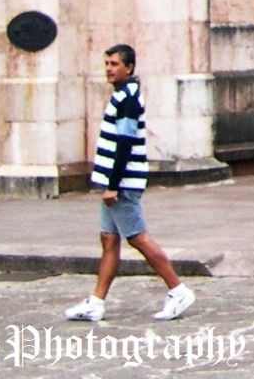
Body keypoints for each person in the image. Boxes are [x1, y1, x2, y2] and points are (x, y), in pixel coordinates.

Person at [64, 44, 195, 323]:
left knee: (137, 237)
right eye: (107, 63)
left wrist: (112, 185)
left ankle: (178, 290)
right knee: (109, 239)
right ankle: (96, 302)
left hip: (122, 184)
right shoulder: (122, 95)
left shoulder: (127, 100)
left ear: (129, 67)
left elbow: (124, 144)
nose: (109, 69)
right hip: (116, 182)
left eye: (114, 64)